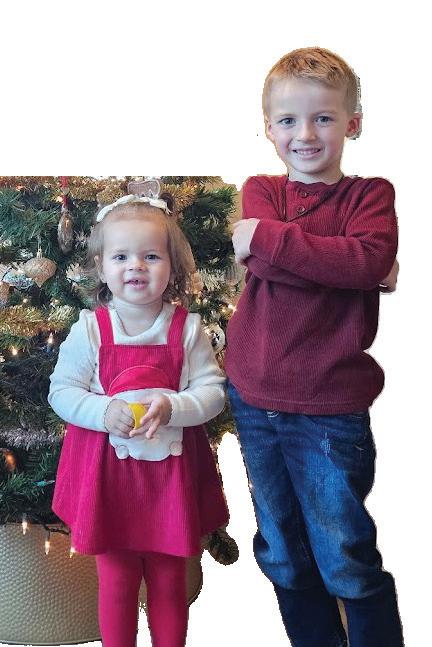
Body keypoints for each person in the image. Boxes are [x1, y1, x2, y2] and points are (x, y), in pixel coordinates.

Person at [225, 47, 403, 647]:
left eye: (323, 118)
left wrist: (267, 242)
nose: (305, 134)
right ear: (268, 127)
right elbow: (348, 266)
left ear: (353, 123)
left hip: (329, 408)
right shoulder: (261, 190)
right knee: (280, 547)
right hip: (254, 399)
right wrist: (349, 266)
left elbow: (364, 261)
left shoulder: (370, 197)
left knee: (343, 552)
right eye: (288, 120)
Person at [48, 180, 228, 647]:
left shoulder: (187, 330)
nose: (136, 266)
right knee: (117, 581)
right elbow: (61, 392)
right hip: (109, 485)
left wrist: (173, 405)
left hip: (170, 485)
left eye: (151, 256)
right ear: (101, 266)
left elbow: (212, 393)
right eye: (121, 256)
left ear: (172, 265)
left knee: (169, 581)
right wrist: (102, 410)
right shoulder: (90, 330)